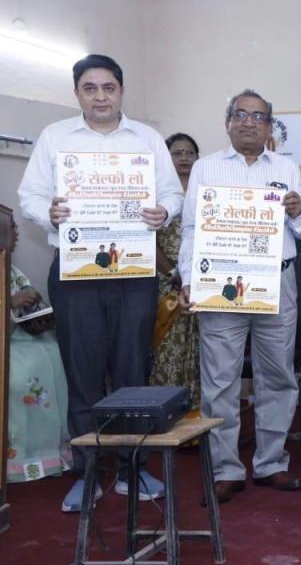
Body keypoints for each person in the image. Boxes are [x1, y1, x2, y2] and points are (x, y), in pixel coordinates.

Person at [18, 54, 183, 512]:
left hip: (133, 271)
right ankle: (88, 472)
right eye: (90, 88)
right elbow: (29, 194)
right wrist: (45, 212)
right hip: (76, 271)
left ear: (121, 91)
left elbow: (173, 192)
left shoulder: (146, 138)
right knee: (84, 372)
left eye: (108, 87)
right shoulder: (56, 137)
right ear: (77, 94)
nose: (100, 96)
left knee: (133, 368)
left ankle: (135, 470)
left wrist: (164, 211)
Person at [178, 89, 301, 504]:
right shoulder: (206, 167)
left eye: (258, 117)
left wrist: (296, 212)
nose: (249, 122)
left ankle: (271, 463)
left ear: (270, 127)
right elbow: (190, 230)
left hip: (277, 282)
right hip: (221, 285)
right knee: (220, 380)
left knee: (278, 376)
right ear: (228, 121)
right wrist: (187, 279)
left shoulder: (287, 167)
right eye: (241, 114)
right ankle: (225, 469)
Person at [6, 219, 72, 484]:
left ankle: (53, 454)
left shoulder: (11, 270)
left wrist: (39, 314)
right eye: (9, 230)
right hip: (6, 345)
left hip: (26, 337)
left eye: (13, 229)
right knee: (22, 373)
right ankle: (20, 458)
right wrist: (10, 302)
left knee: (56, 355)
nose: (15, 234)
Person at [151, 133, 201, 408]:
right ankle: (167, 413)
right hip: (167, 285)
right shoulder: (157, 195)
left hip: (202, 285)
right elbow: (149, 241)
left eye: (189, 153)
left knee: (203, 353)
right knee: (168, 351)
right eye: (177, 153)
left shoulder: (205, 191)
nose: (184, 158)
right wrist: (174, 274)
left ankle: (199, 417)